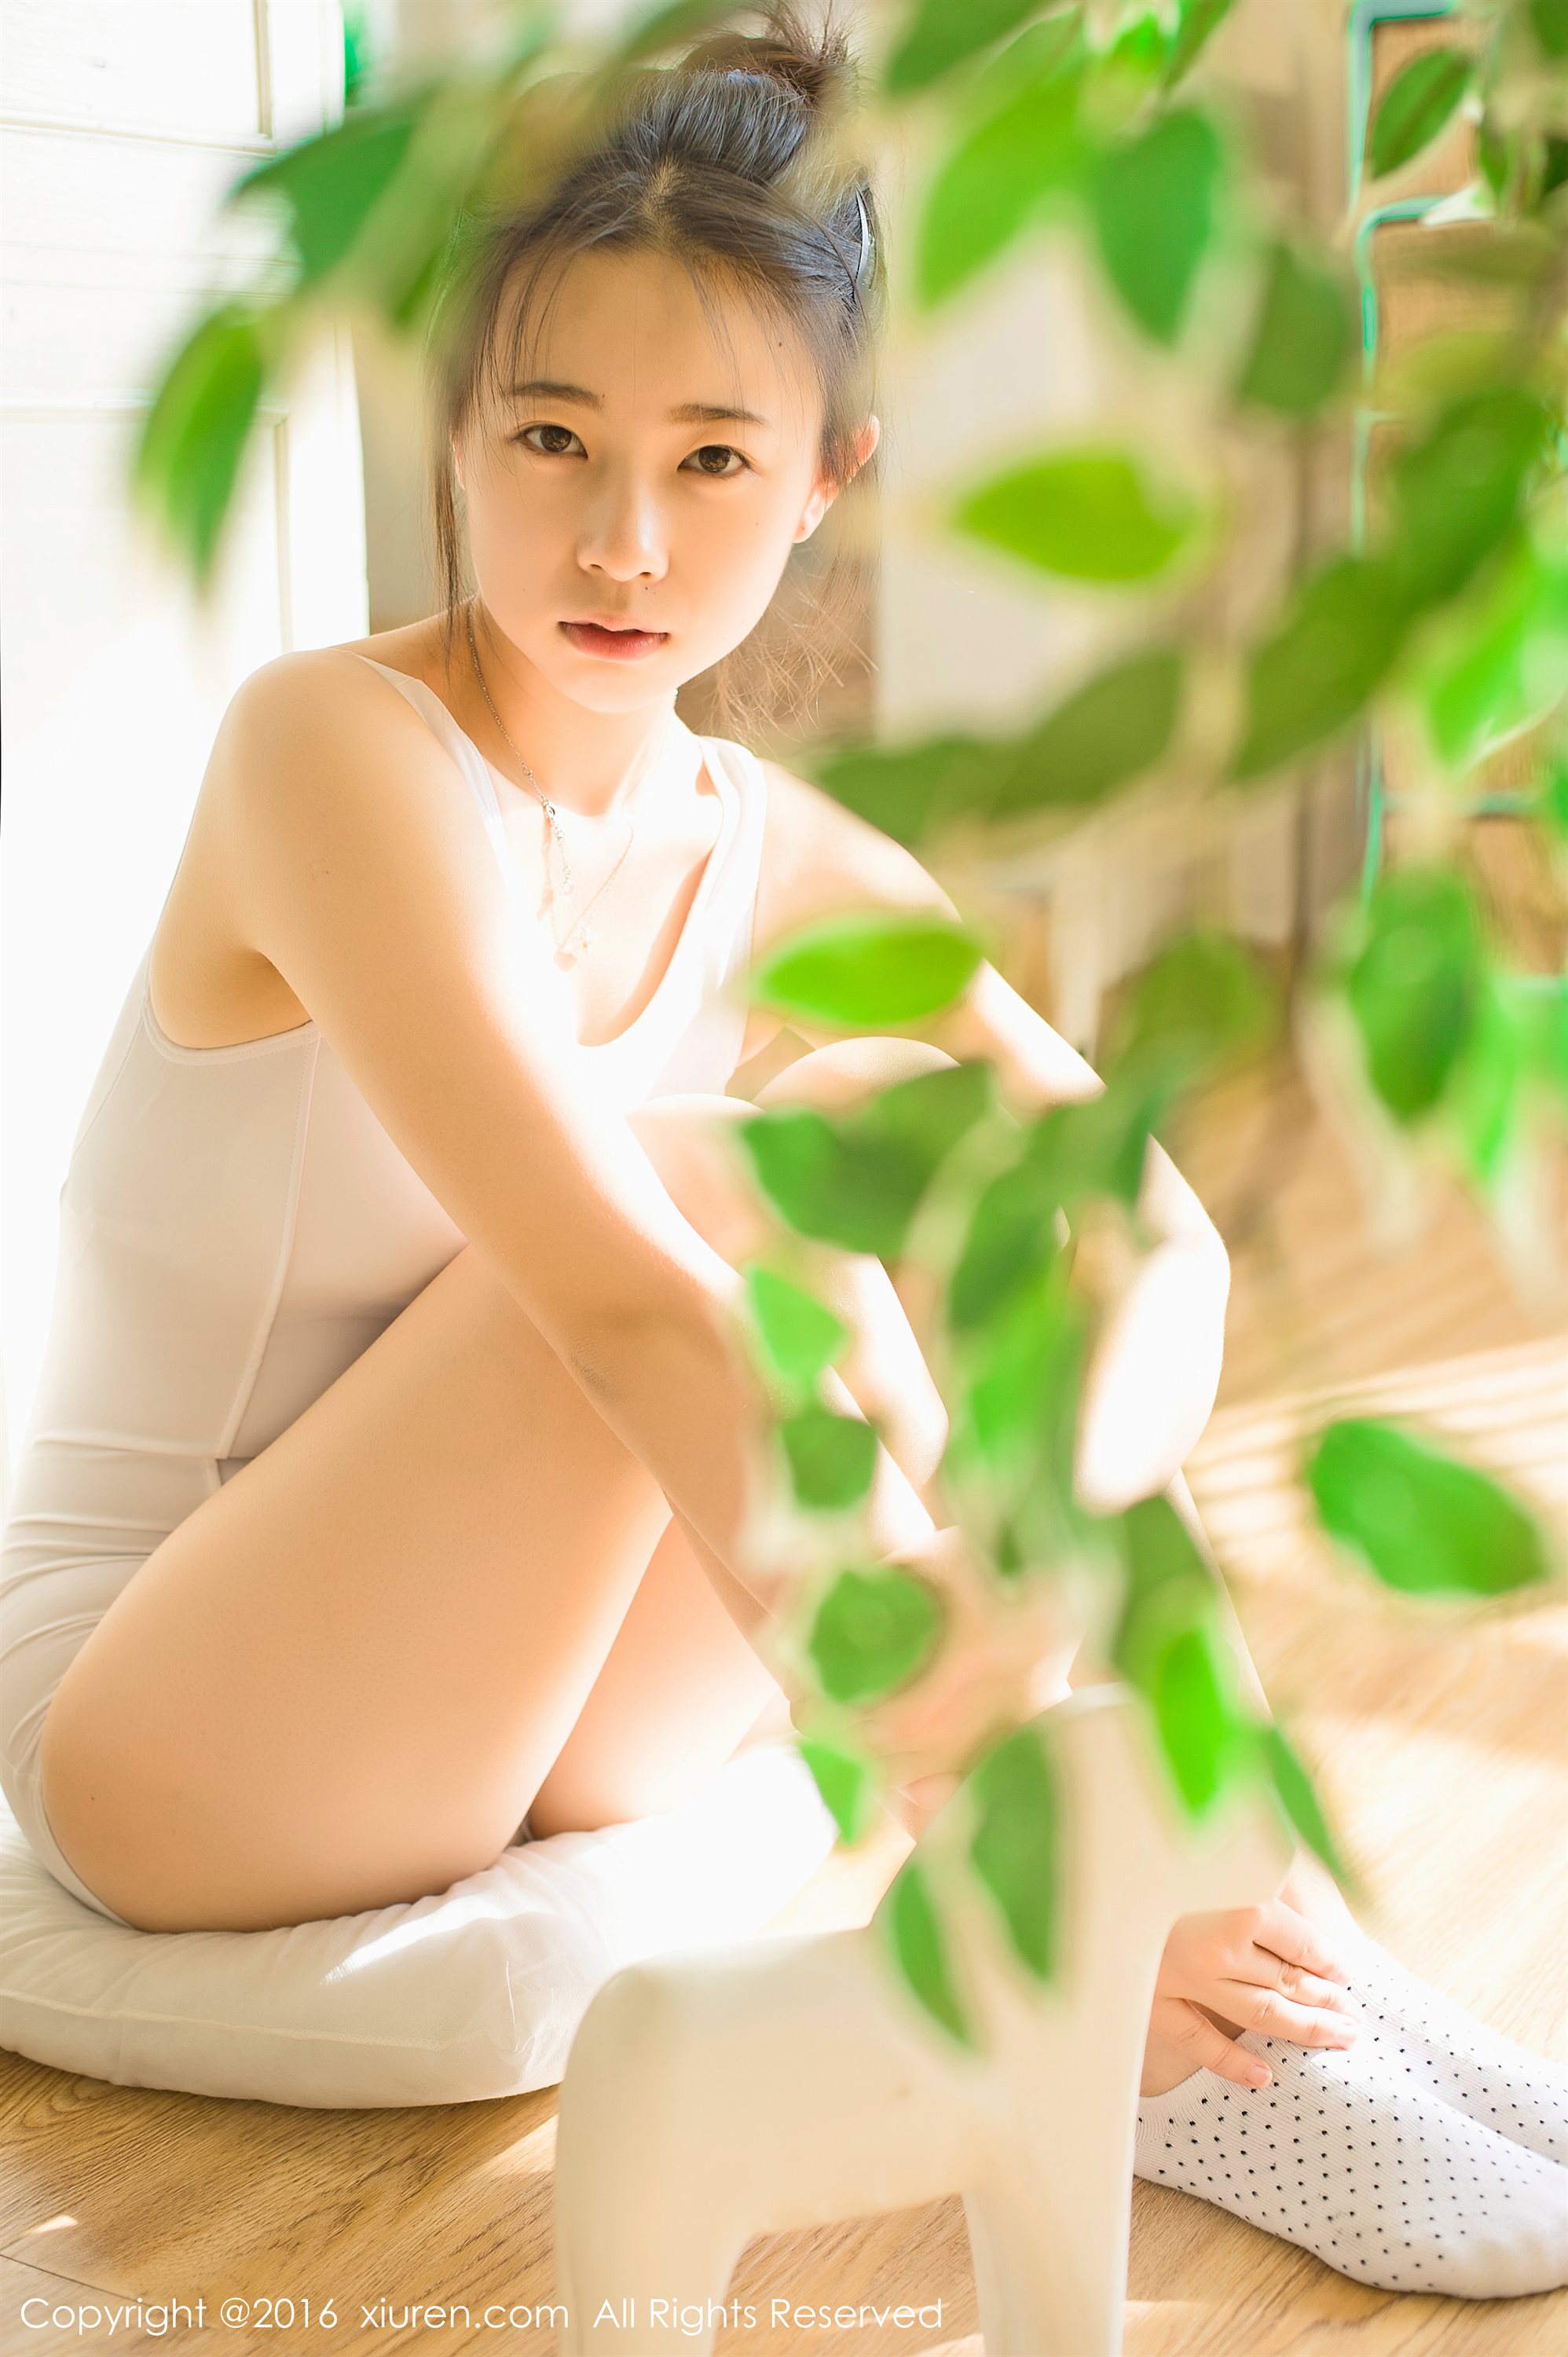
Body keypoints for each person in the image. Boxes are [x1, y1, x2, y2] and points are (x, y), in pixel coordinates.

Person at [2, 2, 1562, 2299]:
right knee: (727, 1176)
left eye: (713, 459)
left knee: (885, 1136)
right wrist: (998, 1779)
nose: (619, 538)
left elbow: (1149, 1244)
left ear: (829, 475)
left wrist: (1045, 1547)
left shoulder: (780, 850)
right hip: (180, 1729)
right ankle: (1108, 1955)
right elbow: (626, 1302)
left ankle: (1258, 1948)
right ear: (459, 431)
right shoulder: (331, 752)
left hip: (541, 1708)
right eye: (551, 436)